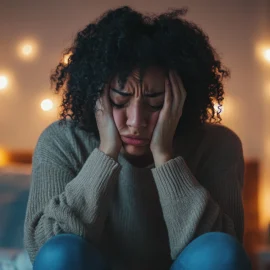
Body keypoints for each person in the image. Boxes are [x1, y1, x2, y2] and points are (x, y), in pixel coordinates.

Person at [23, 6, 252, 270]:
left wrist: (165, 157)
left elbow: (223, 252)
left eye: (156, 104)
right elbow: (45, 249)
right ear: (96, 96)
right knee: (59, 253)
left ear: (182, 101)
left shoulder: (218, 145)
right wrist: (106, 153)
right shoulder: (61, 141)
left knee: (219, 251)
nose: (136, 121)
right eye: (119, 101)